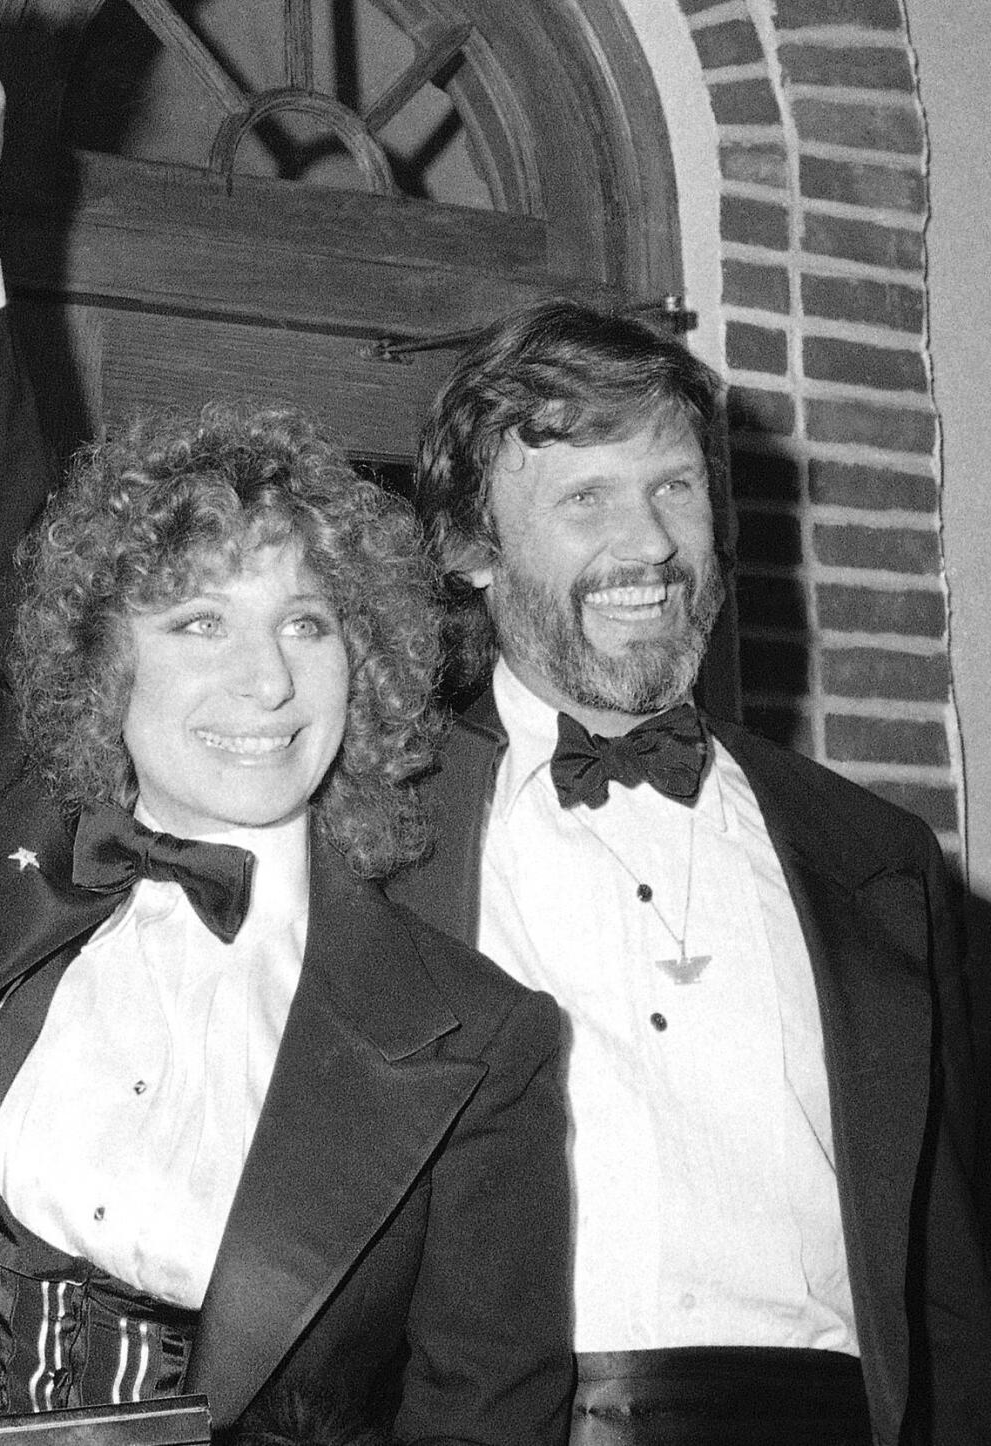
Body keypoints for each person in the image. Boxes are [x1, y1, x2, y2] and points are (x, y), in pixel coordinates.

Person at [0, 16, 573, 1445]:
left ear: (377, 656)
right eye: (200, 623)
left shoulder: (480, 1043)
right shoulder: (20, 851)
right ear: (107, 667)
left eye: (310, 621)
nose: (266, 683)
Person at [383, 304, 991, 1444]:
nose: (652, 545)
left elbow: (948, 1284)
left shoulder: (880, 861)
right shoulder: (374, 843)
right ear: (471, 549)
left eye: (672, 488)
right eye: (586, 499)